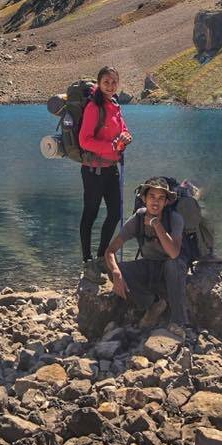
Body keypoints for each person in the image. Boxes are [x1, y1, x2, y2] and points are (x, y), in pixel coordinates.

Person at [103, 177, 189, 335]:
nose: (155, 202)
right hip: (149, 266)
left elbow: (174, 253)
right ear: (143, 198)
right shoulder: (137, 220)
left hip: (173, 270)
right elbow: (110, 251)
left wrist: (156, 224)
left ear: (166, 202)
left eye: (161, 198)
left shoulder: (175, 219)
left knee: (172, 264)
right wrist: (116, 273)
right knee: (112, 269)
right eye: (151, 197)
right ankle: (154, 304)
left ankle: (178, 321)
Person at [78, 66, 132, 283]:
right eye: (106, 82)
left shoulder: (115, 105)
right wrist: (112, 148)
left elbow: (122, 130)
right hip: (94, 170)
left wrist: (126, 137)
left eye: (113, 82)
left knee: (115, 213)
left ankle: (101, 256)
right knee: (90, 213)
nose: (110, 86)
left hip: (110, 168)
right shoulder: (93, 107)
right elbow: (84, 140)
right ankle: (86, 260)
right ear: (99, 83)